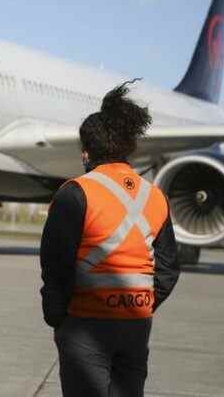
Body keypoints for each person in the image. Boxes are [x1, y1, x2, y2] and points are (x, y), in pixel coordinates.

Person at [40, 80, 180, 397]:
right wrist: (140, 304)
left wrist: (57, 316)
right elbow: (169, 267)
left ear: (87, 151)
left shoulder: (76, 192)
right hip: (136, 324)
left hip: (86, 324)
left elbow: (56, 262)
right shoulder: (155, 196)